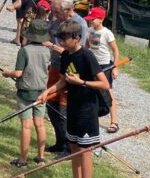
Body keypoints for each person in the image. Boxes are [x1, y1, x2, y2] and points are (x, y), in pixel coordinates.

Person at [37, 20, 110, 178]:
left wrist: (82, 82)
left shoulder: (86, 56)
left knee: (85, 150)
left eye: (65, 38)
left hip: (87, 109)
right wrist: (47, 92)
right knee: (74, 147)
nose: (61, 41)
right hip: (73, 107)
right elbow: (63, 80)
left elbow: (104, 84)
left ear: (76, 38)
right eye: (60, 38)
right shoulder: (65, 55)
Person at [44, 0, 89, 156]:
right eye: (53, 11)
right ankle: (59, 141)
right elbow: (46, 31)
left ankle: (69, 147)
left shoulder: (80, 25)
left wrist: (53, 47)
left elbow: (77, 54)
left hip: (71, 73)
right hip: (55, 68)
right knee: (51, 106)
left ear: (68, 9)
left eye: (56, 12)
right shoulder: (56, 21)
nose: (54, 15)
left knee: (64, 111)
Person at [2, 19, 51, 167]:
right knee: (40, 124)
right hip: (42, 92)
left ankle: (22, 160)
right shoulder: (47, 51)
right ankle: (40, 157)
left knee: (26, 126)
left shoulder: (24, 51)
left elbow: (18, 73)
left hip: (25, 94)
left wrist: (7, 73)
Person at [84, 7, 120, 133]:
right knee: (92, 90)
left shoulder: (107, 33)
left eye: (93, 19)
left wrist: (115, 67)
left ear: (101, 19)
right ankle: (92, 117)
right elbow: (87, 46)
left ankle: (114, 121)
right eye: (90, 19)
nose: (91, 21)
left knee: (107, 92)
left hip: (105, 66)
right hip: (92, 65)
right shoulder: (89, 31)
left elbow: (115, 50)